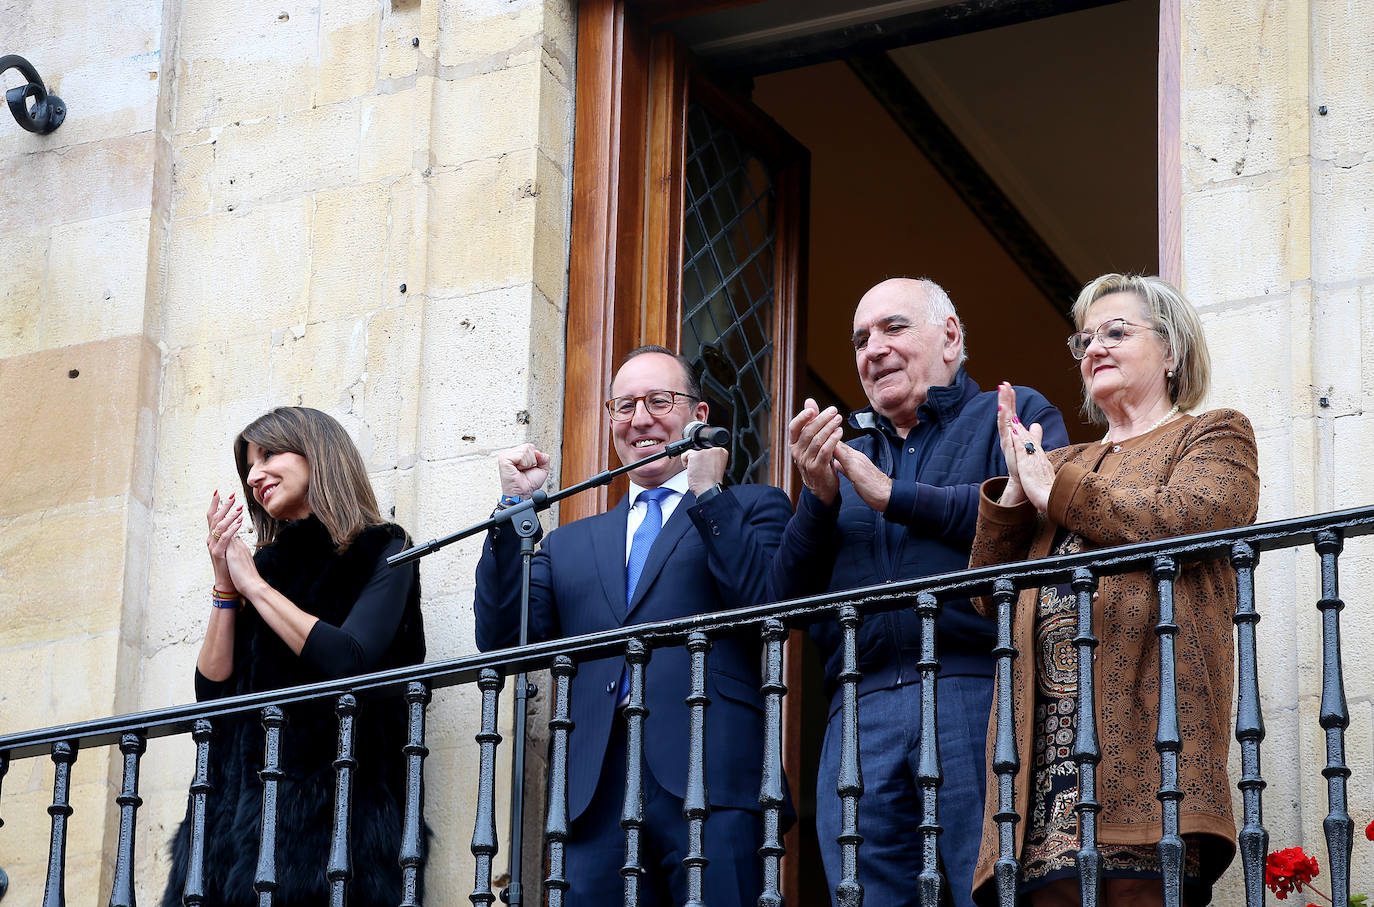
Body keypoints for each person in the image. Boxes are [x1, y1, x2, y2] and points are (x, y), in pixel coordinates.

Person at [772, 277, 1069, 906]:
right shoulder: (844, 458)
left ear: (951, 336)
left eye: (893, 328)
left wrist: (893, 496)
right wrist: (818, 501)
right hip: (859, 706)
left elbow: (1037, 512)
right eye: (860, 339)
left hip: (975, 689)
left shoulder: (1012, 413)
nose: (872, 348)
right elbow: (786, 596)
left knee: (984, 891)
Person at [968, 274, 1259, 905]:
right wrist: (1018, 492)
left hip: (1148, 754)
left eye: (1116, 332)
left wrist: (1057, 491)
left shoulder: (1212, 434)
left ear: (1173, 350)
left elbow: (1195, 514)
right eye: (1085, 339)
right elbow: (988, 597)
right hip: (1044, 768)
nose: (1095, 347)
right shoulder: (1062, 460)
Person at [474, 345, 793, 907]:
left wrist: (709, 495)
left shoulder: (752, 506)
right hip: (594, 795)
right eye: (624, 406)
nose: (640, 419)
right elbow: (504, 640)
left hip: (712, 775)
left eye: (659, 401)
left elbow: (766, 610)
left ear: (699, 417)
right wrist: (513, 510)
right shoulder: (570, 541)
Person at [162, 407, 426, 907]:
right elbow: (212, 690)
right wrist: (225, 584)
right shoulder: (260, 566)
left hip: (332, 829)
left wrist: (254, 586)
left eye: (269, 455)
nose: (255, 475)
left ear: (318, 452)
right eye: (248, 467)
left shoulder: (383, 548)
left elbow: (349, 658)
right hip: (227, 828)